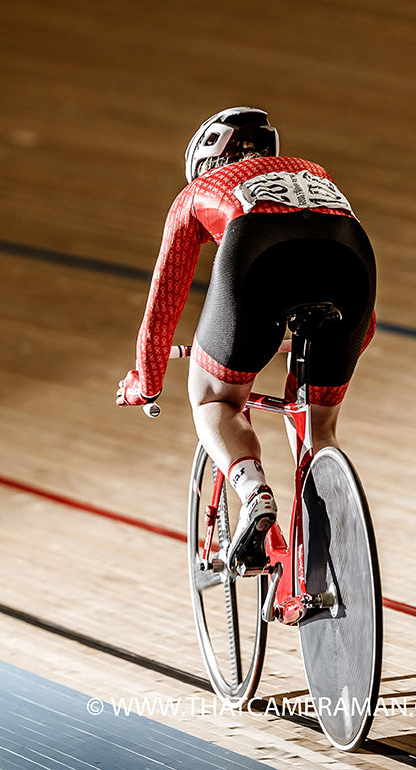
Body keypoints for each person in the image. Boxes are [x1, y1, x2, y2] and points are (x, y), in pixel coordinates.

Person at [116, 107, 376, 570]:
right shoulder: (313, 172)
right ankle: (327, 536)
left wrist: (146, 382)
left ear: (205, 163)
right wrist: (318, 350)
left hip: (258, 257)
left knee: (214, 400)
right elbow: (366, 323)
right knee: (318, 426)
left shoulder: (196, 193)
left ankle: (255, 493)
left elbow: (163, 305)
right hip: (352, 263)